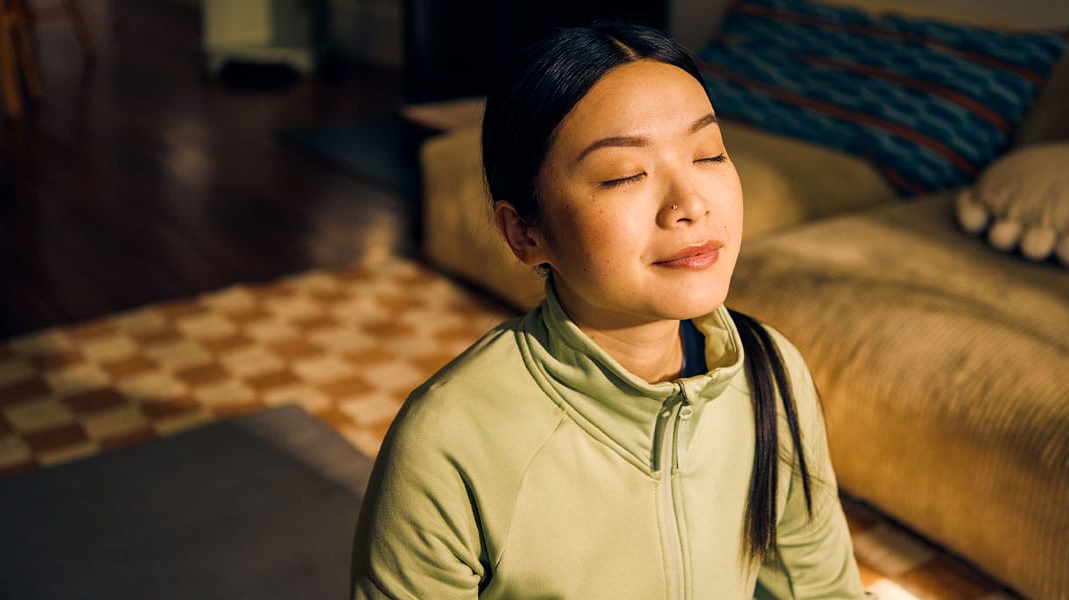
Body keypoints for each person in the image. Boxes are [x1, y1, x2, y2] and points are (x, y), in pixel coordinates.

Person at [350, 21, 869, 599]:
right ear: (525, 233)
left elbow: (821, 591)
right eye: (625, 174)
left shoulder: (772, 375)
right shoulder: (448, 442)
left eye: (709, 154)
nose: (690, 204)